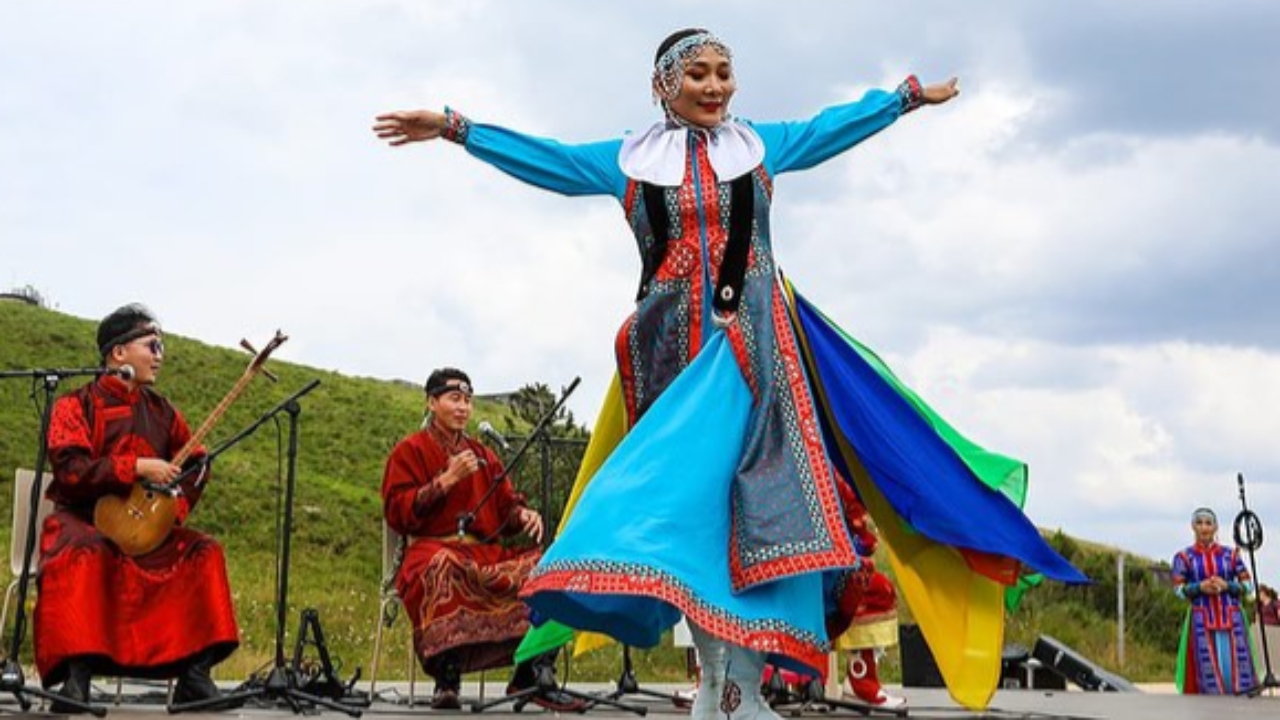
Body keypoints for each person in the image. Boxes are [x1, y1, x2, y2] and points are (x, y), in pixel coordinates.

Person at [374, 28, 1083, 717]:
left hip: (759, 358)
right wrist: (455, 128)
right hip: (672, 364)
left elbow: (832, 126)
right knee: (691, 525)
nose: (716, 86)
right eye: (698, 73)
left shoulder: (760, 147)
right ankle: (718, 682)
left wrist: (902, 99)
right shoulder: (628, 160)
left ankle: (737, 688)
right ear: (663, 86)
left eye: (724, 71)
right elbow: (547, 159)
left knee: (760, 516)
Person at [37, 303, 240, 713]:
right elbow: (70, 468)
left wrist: (173, 504)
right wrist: (137, 467)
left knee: (203, 552)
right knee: (85, 554)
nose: (160, 354)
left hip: (145, 530)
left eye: (161, 345)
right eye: (152, 345)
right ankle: (76, 677)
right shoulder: (76, 406)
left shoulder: (162, 412)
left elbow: (195, 463)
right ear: (118, 354)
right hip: (83, 518)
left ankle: (193, 676)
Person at [380, 367, 581, 711]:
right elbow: (397, 511)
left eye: (467, 401)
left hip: (482, 552)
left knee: (549, 567)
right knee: (443, 567)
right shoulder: (410, 450)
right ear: (431, 402)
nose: (462, 408)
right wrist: (445, 481)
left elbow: (506, 506)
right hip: (432, 549)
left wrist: (523, 515)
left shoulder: (484, 456)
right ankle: (448, 678)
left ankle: (531, 672)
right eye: (454, 399)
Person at [1172, 507, 1258, 695]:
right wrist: (1199, 587)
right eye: (1200, 523)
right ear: (1193, 526)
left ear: (1216, 527)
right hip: (1202, 617)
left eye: (1208, 523)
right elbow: (1178, 589)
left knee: (1236, 666)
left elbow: (1248, 585)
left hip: (1231, 616)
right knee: (1206, 669)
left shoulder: (1230, 555)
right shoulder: (1184, 557)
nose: (1204, 527)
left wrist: (1227, 586)